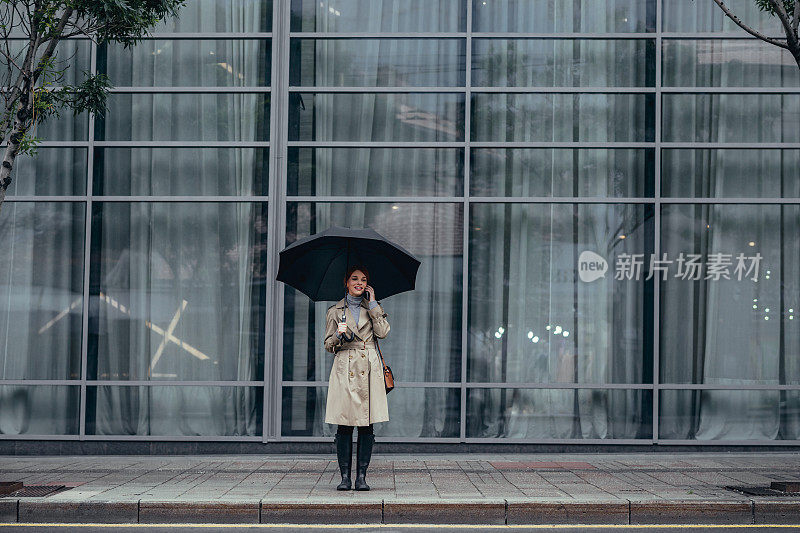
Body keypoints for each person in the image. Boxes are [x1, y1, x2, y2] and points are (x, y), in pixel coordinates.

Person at [323, 265, 390, 491]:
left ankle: (361, 477)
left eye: (363, 279)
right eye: (354, 279)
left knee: (366, 425)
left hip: (368, 367)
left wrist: (373, 305)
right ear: (346, 282)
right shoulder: (335, 311)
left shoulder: (373, 307)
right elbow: (327, 345)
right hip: (345, 367)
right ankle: (344, 477)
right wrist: (338, 336)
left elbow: (383, 333)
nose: (359, 283)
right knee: (344, 425)